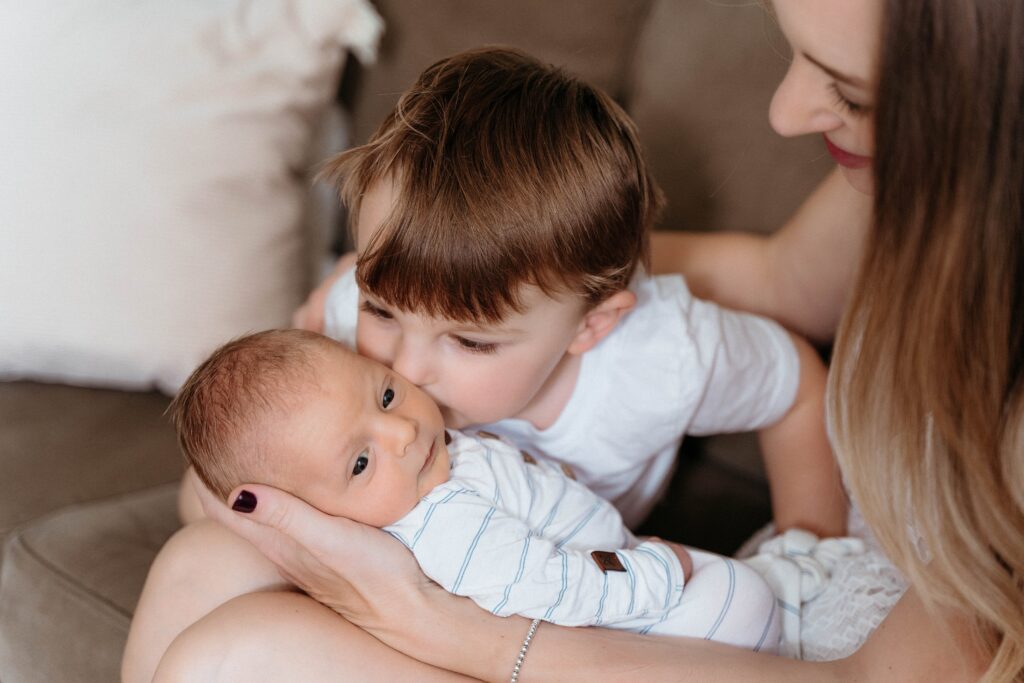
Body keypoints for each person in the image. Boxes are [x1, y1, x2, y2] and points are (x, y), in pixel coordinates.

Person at [136, 1, 1024, 674]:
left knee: (238, 651)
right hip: (466, 582)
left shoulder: (653, 359)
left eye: (847, 86)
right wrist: (466, 271)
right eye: (384, 308)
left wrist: (804, 539)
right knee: (196, 563)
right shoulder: (372, 332)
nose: (401, 367)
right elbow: (790, 280)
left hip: (573, 620)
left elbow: (782, 380)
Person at [171, 327, 780, 648]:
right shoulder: (445, 530)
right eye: (360, 463)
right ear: (317, 520)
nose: (403, 430)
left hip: (616, 573)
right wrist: (658, 573)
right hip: (619, 620)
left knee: (750, 591)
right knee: (742, 598)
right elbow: (553, 588)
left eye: (384, 394)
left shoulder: (432, 466)